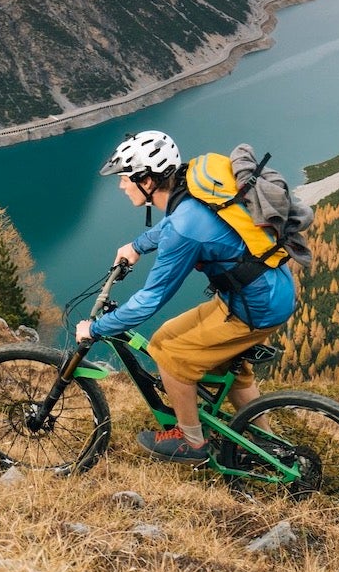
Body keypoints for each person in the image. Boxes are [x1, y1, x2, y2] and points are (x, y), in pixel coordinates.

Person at [76, 130, 297, 462]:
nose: (122, 185)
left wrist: (95, 329)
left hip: (255, 308)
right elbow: (175, 225)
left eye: (126, 178)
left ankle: (191, 443)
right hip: (265, 291)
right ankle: (267, 443)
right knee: (165, 339)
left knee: (172, 359)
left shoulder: (184, 226)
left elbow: (151, 299)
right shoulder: (191, 187)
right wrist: (136, 247)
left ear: (147, 180)